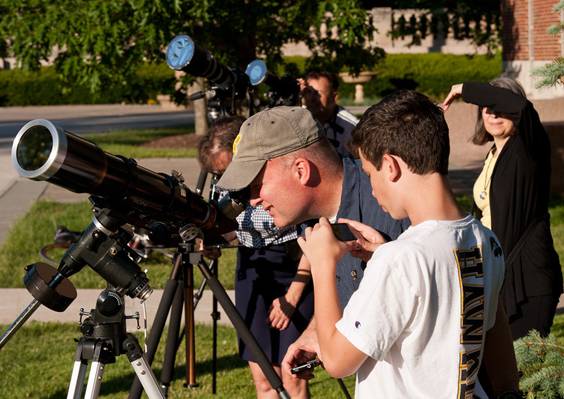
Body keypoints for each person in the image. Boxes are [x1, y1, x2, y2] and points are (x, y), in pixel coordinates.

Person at [297, 90, 520, 398]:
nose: (372, 189)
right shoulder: (485, 239)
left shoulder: (400, 259)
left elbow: (336, 361)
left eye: (369, 173)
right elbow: (491, 324)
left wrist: (322, 265)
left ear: (390, 166)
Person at [215, 106, 410, 381]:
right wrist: (316, 332)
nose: (253, 201)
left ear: (301, 171)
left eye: (258, 185)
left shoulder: (390, 208)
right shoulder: (312, 216)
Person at [197, 115, 314, 399]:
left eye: (227, 170)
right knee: (264, 377)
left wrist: (293, 296)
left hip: (296, 265)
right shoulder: (223, 184)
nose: (225, 180)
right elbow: (232, 228)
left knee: (293, 376)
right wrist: (213, 243)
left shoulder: (277, 177)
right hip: (252, 270)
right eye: (217, 174)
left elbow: (314, 232)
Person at [443, 79, 564, 340]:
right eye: (486, 107)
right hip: (495, 275)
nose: (493, 113)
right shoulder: (493, 154)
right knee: (497, 373)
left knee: (524, 370)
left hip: (527, 277)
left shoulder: (529, 148)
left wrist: (465, 90)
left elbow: (522, 107)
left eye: (499, 105)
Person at [299, 70, 359, 157]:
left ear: (334, 97)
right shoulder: (298, 118)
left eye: (318, 93)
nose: (311, 98)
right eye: (308, 92)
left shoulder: (353, 128)